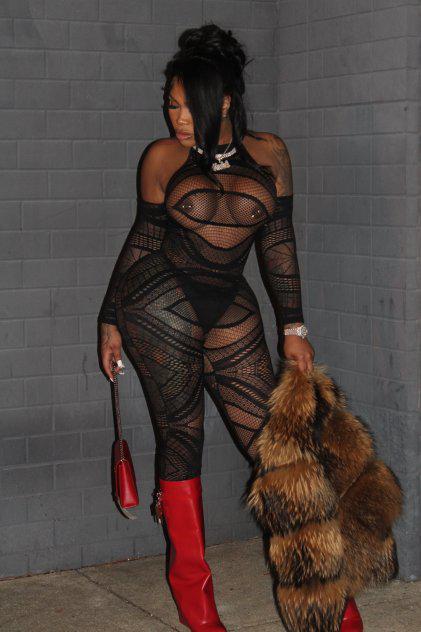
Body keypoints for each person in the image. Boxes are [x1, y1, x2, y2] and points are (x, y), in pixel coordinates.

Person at [98, 23, 359, 632]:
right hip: (157, 308)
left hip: (230, 306)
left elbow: (278, 244)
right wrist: (110, 319)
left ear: (223, 101)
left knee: (279, 451)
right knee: (182, 439)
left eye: (186, 105)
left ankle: (330, 603)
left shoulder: (269, 154)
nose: (176, 117)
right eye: (170, 104)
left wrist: (294, 328)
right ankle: (199, 610)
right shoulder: (162, 159)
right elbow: (143, 241)